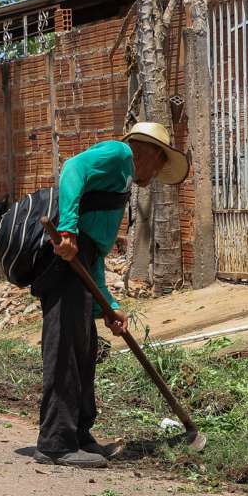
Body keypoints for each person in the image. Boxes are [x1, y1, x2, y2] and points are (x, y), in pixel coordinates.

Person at [33, 122, 189, 469]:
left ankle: (79, 435)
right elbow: (73, 168)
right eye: (161, 163)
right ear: (149, 152)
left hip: (80, 265)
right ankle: (55, 443)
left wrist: (110, 306)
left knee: (85, 351)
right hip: (62, 264)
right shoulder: (120, 154)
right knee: (65, 351)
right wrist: (68, 228)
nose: (159, 172)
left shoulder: (119, 183)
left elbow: (94, 254)